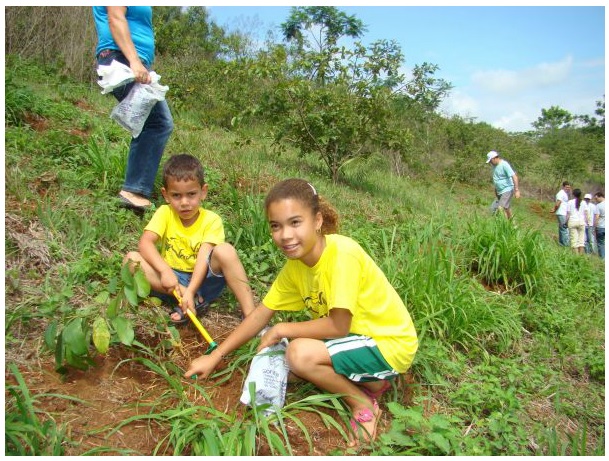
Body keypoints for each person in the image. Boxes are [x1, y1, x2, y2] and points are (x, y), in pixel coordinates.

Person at [184, 178, 418, 446]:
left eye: (295, 222)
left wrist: (282, 329)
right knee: (291, 366)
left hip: (389, 344)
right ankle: (375, 382)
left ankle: (362, 402)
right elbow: (261, 314)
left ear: (317, 220)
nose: (285, 235)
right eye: (276, 226)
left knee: (298, 354)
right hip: (358, 337)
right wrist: (215, 356)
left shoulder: (342, 254)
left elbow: (339, 326)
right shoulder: (295, 268)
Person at [123, 154, 255, 323]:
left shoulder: (211, 220)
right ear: (166, 195)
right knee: (131, 260)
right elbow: (145, 242)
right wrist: (165, 271)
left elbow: (203, 257)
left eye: (191, 194)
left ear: (203, 192)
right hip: (169, 281)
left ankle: (251, 315)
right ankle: (188, 300)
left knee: (226, 251)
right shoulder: (165, 213)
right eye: (176, 195)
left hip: (202, 281)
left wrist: (191, 290)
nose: (184, 202)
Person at [93, 6, 174, 212]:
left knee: (153, 122)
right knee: (158, 123)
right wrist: (134, 61)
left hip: (130, 60)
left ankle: (135, 188)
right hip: (121, 59)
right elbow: (116, 18)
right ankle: (133, 191)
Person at [485, 150, 520, 219]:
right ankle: (512, 225)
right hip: (499, 191)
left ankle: (504, 226)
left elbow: (514, 176)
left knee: (500, 208)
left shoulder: (504, 165)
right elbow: (497, 178)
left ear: (495, 158)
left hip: (507, 189)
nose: (490, 163)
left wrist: (516, 190)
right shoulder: (494, 166)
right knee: (506, 208)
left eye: (491, 161)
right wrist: (496, 189)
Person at [565, 188, 587, 255]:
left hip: (572, 221)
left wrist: (565, 222)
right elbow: (586, 213)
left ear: (573, 194)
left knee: (574, 241)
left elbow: (568, 214)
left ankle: (576, 257)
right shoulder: (584, 202)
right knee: (581, 241)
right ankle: (581, 257)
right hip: (581, 222)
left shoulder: (570, 202)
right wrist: (585, 221)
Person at [550, 181, 571, 247]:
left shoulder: (565, 194)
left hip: (564, 213)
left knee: (562, 228)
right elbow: (558, 202)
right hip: (561, 213)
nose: (568, 188)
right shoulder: (561, 193)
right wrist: (554, 209)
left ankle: (562, 243)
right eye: (567, 187)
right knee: (564, 229)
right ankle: (565, 244)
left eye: (569, 187)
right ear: (563, 186)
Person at [593, 192, 605, 260]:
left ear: (600, 196)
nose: (596, 200)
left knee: (600, 243)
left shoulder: (598, 206)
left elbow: (597, 217)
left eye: (596, 198)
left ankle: (603, 259)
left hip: (600, 227)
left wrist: (594, 227)